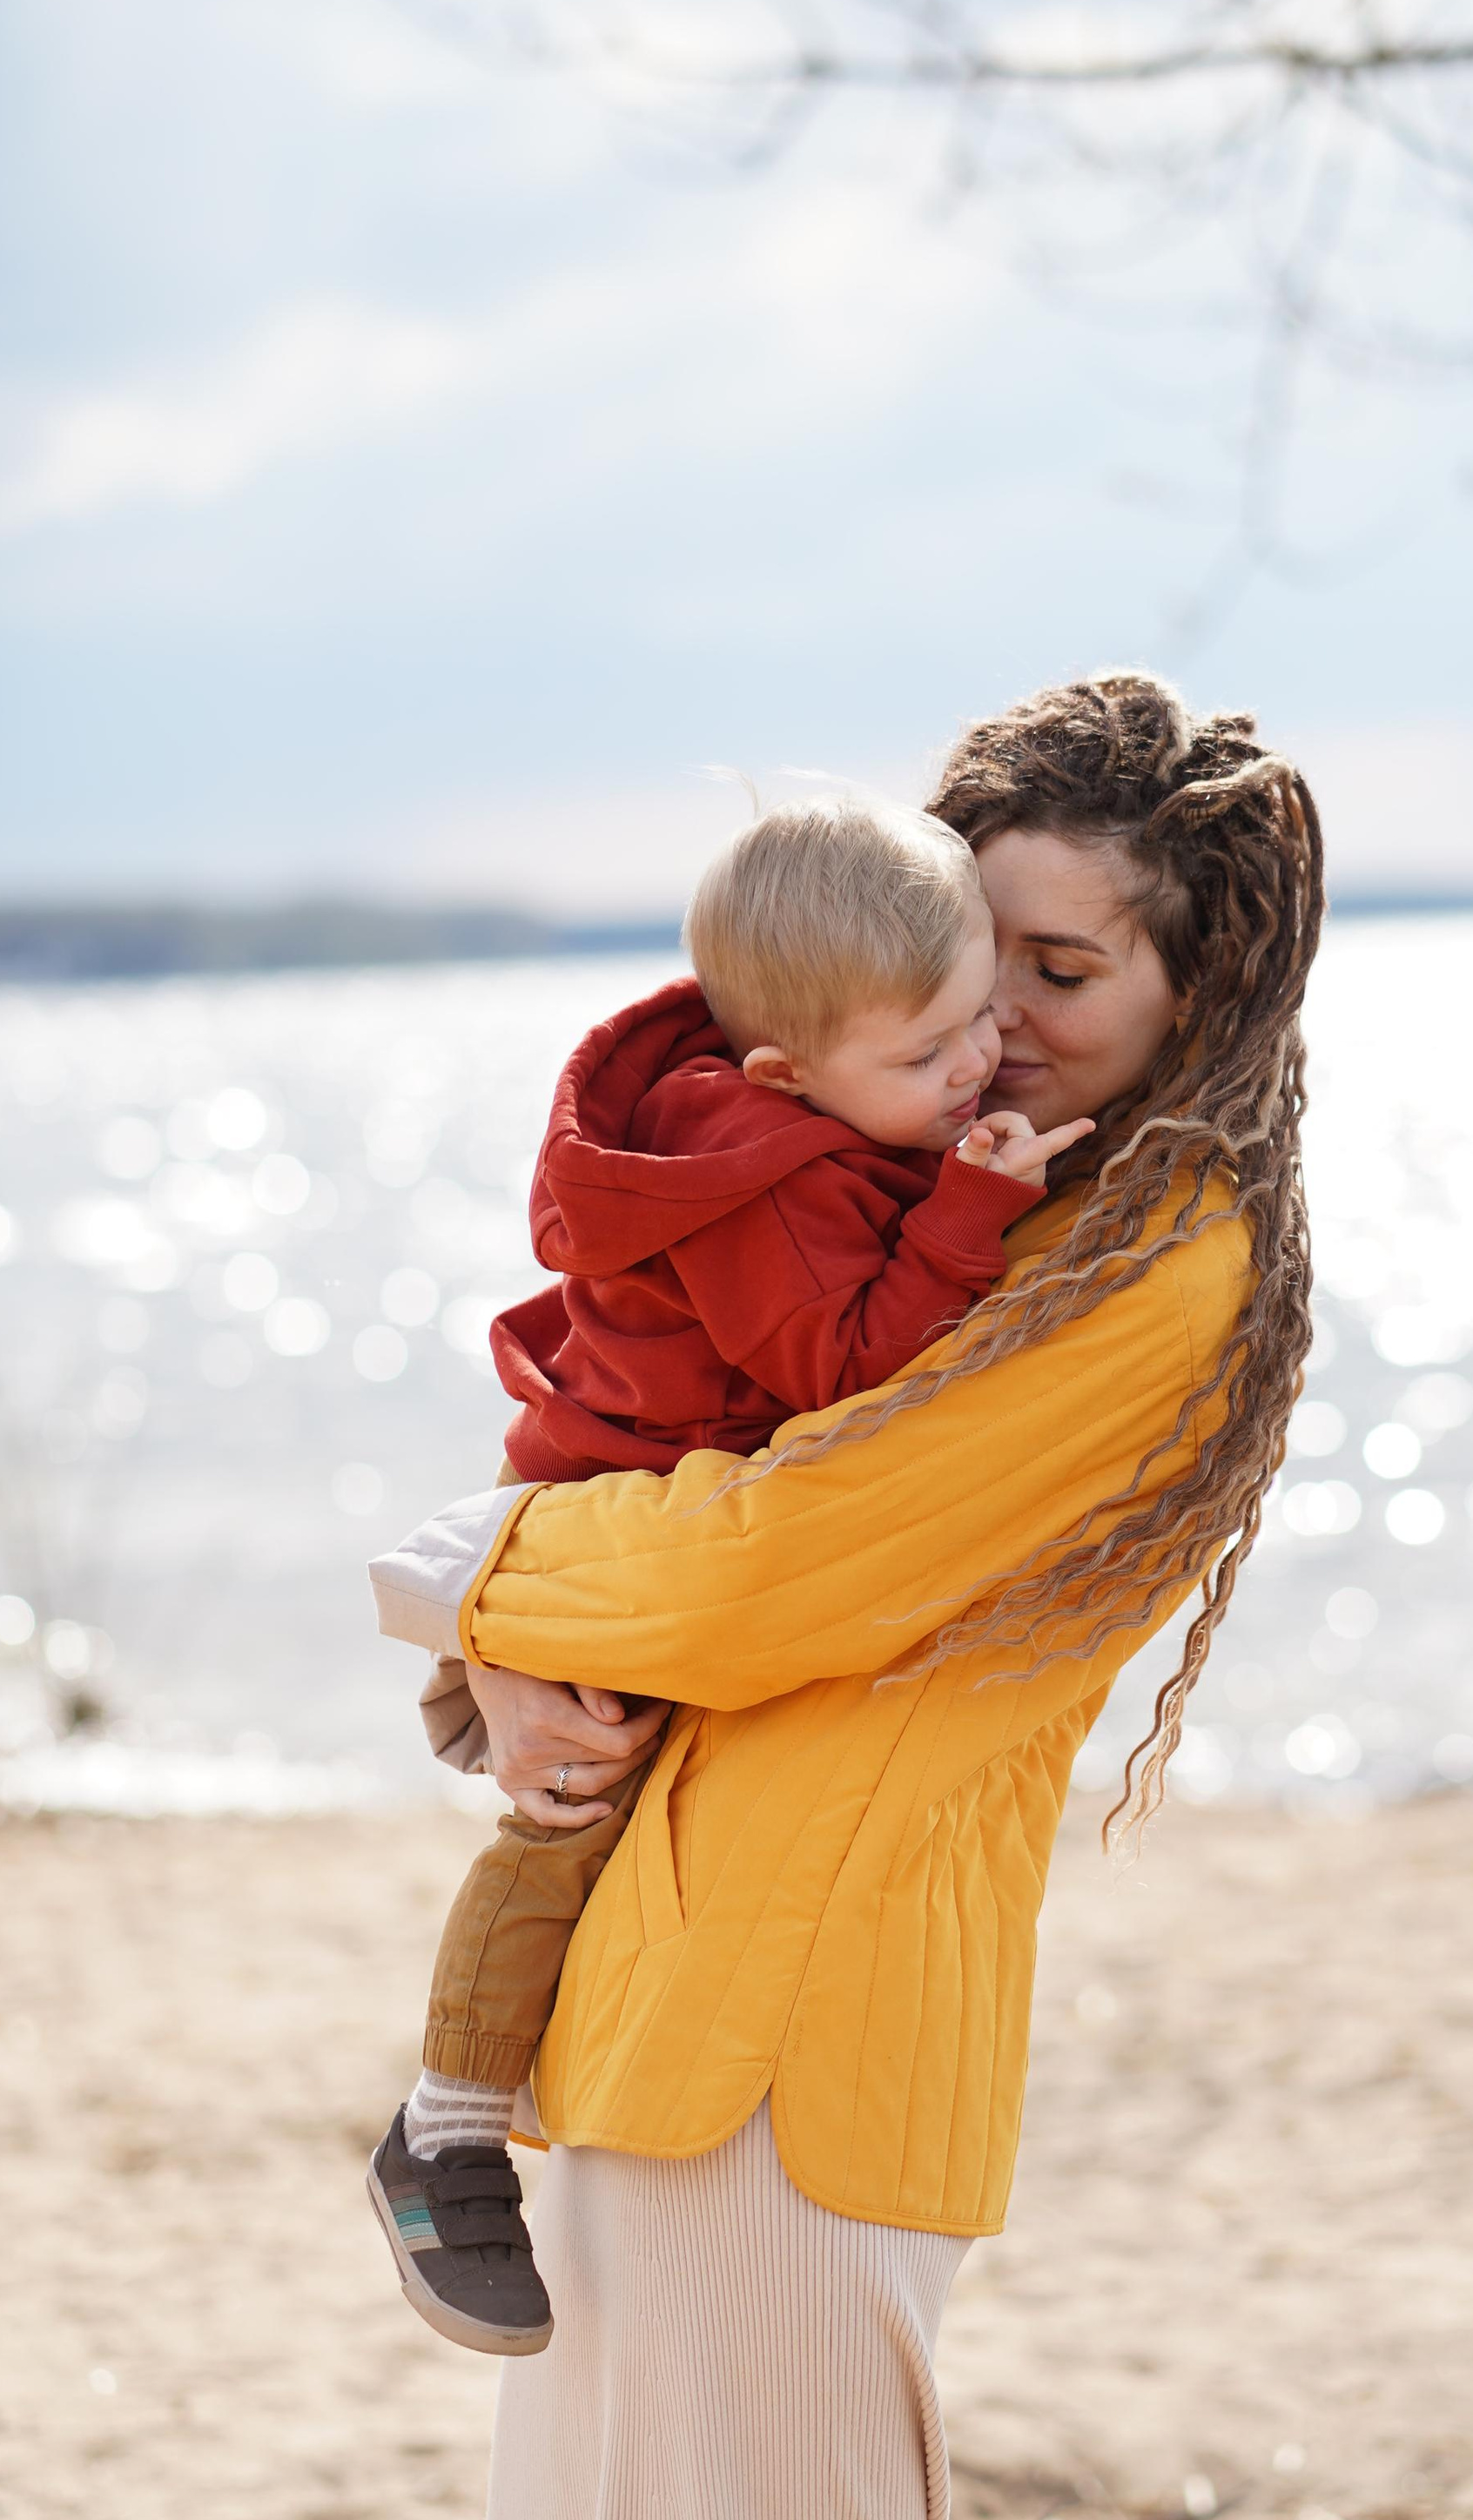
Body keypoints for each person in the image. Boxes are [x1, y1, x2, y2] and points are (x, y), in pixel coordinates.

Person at [369, 670, 1325, 2520]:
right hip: (677, 2007)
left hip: (809, 2054)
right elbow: (685, 1462)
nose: (998, 1014)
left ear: (1204, 991)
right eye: (974, 954)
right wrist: (509, 1648)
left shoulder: (1153, 1262)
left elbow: (759, 1576)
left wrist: (457, 1578)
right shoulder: (928, 1187)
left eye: (1065, 972)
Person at [366, 795, 1090, 2353]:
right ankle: (442, 2129)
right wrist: (978, 1208)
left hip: (612, 1481)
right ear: (782, 1074)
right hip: (605, 1511)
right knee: (572, 1814)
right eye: (931, 1053)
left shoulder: (814, 1081)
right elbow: (843, 1367)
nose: (981, 1060)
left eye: (985, 1014)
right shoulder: (766, 1174)